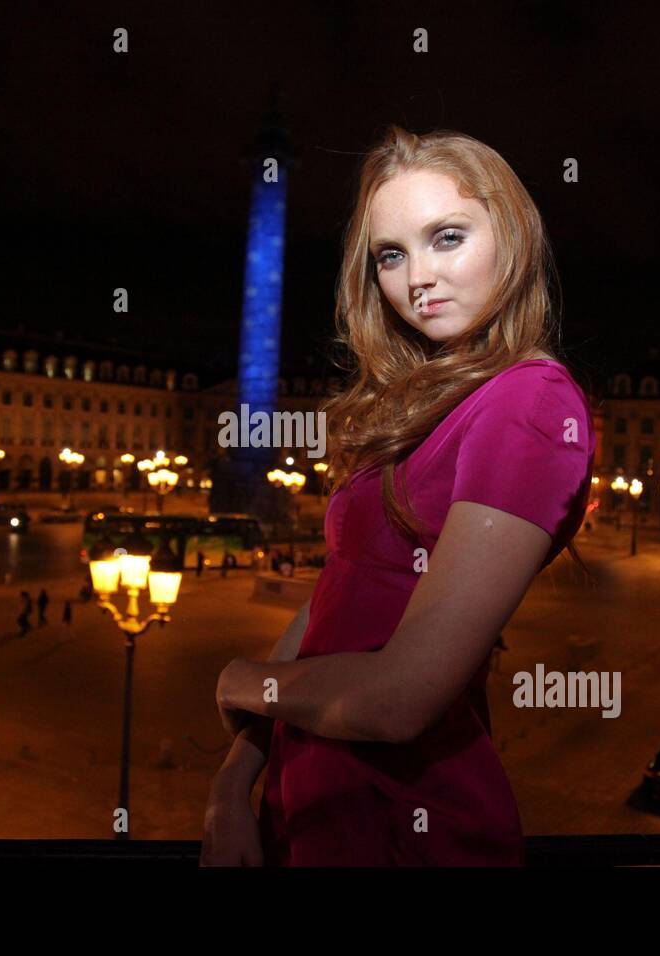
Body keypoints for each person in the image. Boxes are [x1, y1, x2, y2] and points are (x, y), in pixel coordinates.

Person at [203, 127, 595, 867]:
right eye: (391, 254)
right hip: (312, 806)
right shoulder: (428, 402)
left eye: (447, 237)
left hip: (406, 824)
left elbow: (403, 697)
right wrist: (234, 783)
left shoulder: (531, 401)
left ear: (510, 234)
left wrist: (246, 682)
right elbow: (333, 600)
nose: (418, 276)